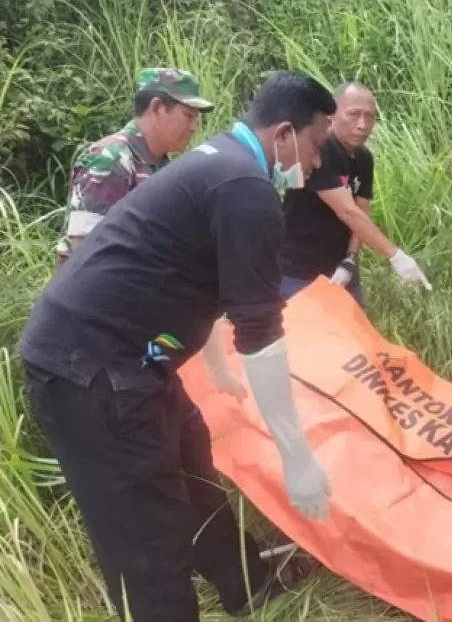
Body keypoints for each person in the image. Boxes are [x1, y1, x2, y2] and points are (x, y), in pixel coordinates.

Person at [17, 70, 338, 622]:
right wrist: (297, 458)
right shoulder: (245, 188)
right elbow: (260, 335)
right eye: (315, 145)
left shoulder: (220, 166)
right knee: (149, 541)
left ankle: (251, 589)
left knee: (193, 477)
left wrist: (213, 367)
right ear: (285, 134)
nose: (316, 163)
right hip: (90, 373)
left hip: (138, 363)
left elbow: (202, 286)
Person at [279, 81, 431, 306]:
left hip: (341, 270)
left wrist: (350, 259)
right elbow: (347, 212)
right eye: (353, 114)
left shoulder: (364, 159)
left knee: (355, 335)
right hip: (299, 272)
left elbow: (361, 212)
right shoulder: (320, 150)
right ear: (332, 115)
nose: (362, 124)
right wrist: (395, 255)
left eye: (369, 117)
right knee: (303, 338)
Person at [56, 67, 214, 265]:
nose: (193, 128)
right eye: (188, 116)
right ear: (156, 108)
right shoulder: (111, 159)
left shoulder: (161, 164)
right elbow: (87, 253)